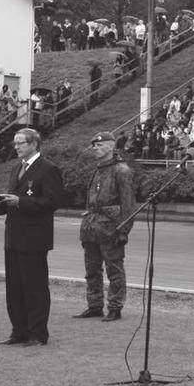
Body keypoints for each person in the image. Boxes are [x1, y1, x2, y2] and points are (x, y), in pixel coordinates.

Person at [0, 128, 65, 346]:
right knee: (14, 287)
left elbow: (53, 202)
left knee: (34, 287)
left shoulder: (48, 169)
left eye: (21, 143)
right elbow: (13, 199)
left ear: (34, 144)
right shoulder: (16, 168)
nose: (16, 147)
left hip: (34, 238)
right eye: (15, 143)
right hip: (13, 236)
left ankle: (37, 333)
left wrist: (20, 202)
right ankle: (19, 331)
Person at [74, 132, 135, 322]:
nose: (95, 148)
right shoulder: (98, 170)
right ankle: (94, 305)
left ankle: (115, 307)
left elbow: (128, 205)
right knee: (91, 269)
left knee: (114, 269)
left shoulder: (121, 171)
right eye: (94, 145)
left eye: (100, 146)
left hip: (111, 228)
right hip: (92, 226)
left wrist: (124, 230)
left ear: (111, 146)